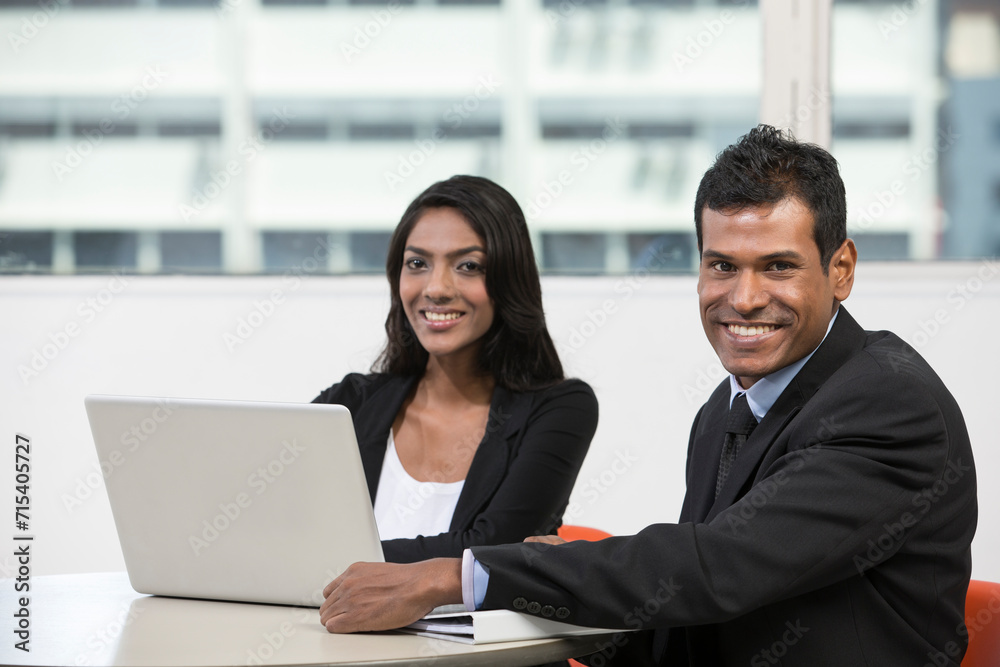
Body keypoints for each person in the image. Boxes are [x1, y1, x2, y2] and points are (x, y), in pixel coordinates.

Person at [317, 126, 978, 666]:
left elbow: (721, 566)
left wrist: (456, 576)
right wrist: (555, 592)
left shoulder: (888, 401)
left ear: (841, 269)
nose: (743, 297)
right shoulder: (724, 412)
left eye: (777, 265)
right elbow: (688, 614)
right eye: (722, 265)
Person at [312, 175, 598, 564]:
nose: (436, 287)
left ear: (509, 279)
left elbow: (494, 549)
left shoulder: (560, 408)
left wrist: (330, 558)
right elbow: (277, 528)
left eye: (467, 266)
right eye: (417, 263)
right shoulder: (349, 404)